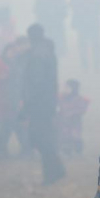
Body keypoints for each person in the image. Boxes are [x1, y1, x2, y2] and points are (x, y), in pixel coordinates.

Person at [22, 24, 65, 185]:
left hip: (39, 104)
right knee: (43, 136)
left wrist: (27, 104)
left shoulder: (37, 55)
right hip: (47, 102)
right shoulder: (46, 51)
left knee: (40, 138)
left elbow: (36, 83)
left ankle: (53, 173)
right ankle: (55, 170)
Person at [0, 39, 29, 159]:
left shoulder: (17, 62)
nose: (12, 53)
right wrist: (3, 77)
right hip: (3, 99)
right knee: (5, 125)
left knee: (18, 125)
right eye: (10, 51)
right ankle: (0, 150)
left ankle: (25, 150)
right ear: (5, 51)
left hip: (16, 97)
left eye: (14, 51)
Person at [70, 0, 100, 71]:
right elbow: (72, 4)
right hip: (83, 23)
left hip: (94, 22)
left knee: (96, 45)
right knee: (82, 45)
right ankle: (84, 64)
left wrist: (94, 10)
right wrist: (82, 9)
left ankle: (96, 65)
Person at [58, 79, 90, 156]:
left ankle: (77, 150)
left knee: (75, 136)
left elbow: (82, 109)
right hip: (64, 121)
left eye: (68, 87)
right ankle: (67, 150)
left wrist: (73, 114)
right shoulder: (62, 98)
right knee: (65, 135)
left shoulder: (79, 99)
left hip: (74, 121)